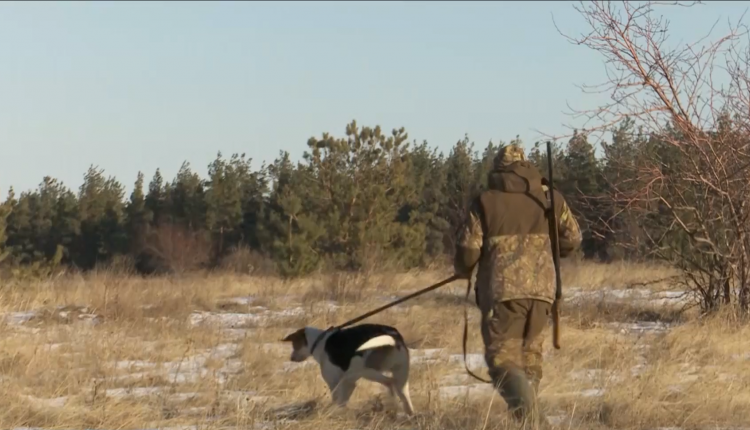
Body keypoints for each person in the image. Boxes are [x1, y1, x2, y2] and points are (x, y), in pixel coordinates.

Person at [453, 144, 582, 425]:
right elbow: (573, 239)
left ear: (499, 169)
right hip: (543, 293)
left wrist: (463, 269)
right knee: (530, 360)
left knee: (502, 360)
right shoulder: (551, 199)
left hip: (503, 293)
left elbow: (467, 249)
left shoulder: (486, 201)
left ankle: (536, 423)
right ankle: (525, 423)